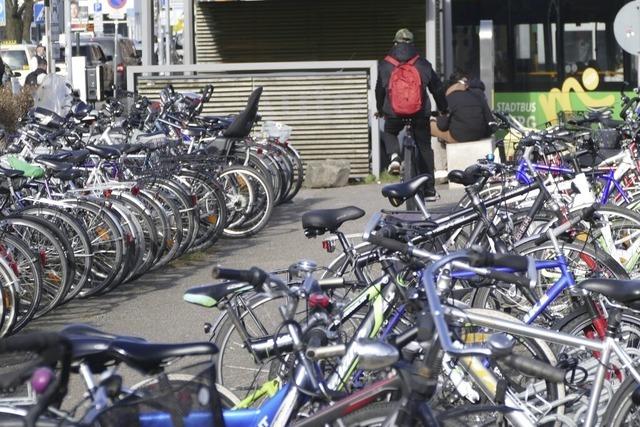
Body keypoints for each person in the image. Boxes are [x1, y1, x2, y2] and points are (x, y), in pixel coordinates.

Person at [376, 28, 448, 201]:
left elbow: (380, 90)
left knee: (390, 131)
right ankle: (429, 189)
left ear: (395, 43)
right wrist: (443, 109)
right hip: (420, 113)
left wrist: (381, 109)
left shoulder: (386, 64)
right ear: (412, 44)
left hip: (393, 113)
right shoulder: (422, 63)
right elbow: (437, 89)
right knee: (424, 146)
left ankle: (394, 156)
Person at [430, 71, 494, 144]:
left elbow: (442, 126)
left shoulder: (448, 98)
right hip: (479, 135)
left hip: (460, 137)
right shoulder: (477, 95)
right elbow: (490, 121)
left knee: (430, 125)